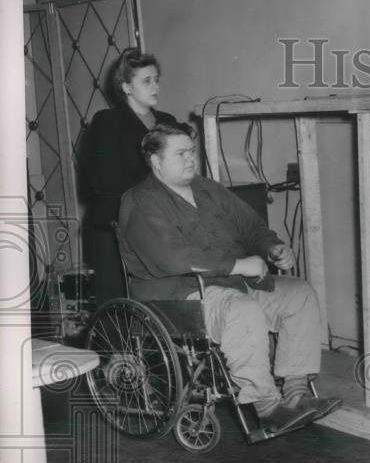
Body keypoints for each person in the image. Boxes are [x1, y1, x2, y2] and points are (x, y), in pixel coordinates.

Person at [118, 123, 340, 435]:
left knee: (299, 294)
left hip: (230, 284)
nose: (190, 159)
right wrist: (238, 265)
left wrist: (272, 247)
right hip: (178, 294)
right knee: (242, 310)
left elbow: (251, 227)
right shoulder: (141, 201)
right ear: (155, 161)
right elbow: (172, 259)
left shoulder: (208, 189)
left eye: (191, 152)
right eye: (180, 153)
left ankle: (296, 393)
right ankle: (266, 405)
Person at [78, 48, 178, 305]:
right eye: (146, 81)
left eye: (156, 79)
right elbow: (101, 181)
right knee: (118, 303)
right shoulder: (107, 122)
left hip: (162, 222)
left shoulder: (168, 122)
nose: (155, 86)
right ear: (126, 87)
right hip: (116, 224)